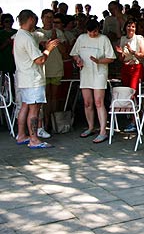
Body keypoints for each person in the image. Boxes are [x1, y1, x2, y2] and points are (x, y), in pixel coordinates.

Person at [13, 9, 59, 149]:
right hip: (33, 78)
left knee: (25, 106)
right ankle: (34, 139)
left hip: (24, 77)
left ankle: (21, 135)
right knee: (34, 109)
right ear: (31, 20)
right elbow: (39, 60)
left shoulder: (19, 36)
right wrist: (48, 49)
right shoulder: (27, 38)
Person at [70, 19, 116, 143]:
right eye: (90, 32)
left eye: (95, 32)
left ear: (98, 29)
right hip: (85, 73)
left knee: (98, 102)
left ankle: (102, 131)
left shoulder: (104, 39)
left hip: (99, 74)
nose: (92, 34)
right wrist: (78, 60)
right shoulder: (81, 38)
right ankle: (90, 127)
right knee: (87, 102)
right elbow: (74, 54)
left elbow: (111, 58)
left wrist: (99, 61)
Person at [38, 9, 68, 134]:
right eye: (47, 17)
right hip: (43, 68)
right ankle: (45, 122)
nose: (49, 20)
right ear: (42, 18)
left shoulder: (59, 32)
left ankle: (53, 121)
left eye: (51, 17)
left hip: (56, 68)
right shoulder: (37, 33)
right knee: (45, 97)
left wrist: (56, 40)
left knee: (54, 97)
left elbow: (64, 52)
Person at [115, 19, 144, 131]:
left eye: (133, 26)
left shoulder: (139, 38)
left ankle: (135, 121)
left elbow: (142, 55)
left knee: (133, 92)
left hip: (136, 67)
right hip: (125, 67)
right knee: (126, 92)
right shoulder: (123, 39)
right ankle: (134, 117)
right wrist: (121, 53)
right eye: (129, 26)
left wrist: (132, 51)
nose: (131, 28)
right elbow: (121, 58)